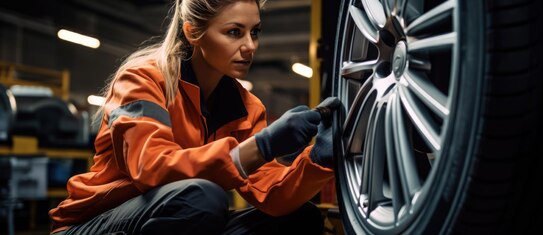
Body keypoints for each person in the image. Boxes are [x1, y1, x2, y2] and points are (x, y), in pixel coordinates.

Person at [48, 0, 340, 234]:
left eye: (255, 32)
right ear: (192, 32)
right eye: (234, 32)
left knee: (300, 218)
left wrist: (318, 159)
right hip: (94, 224)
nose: (250, 46)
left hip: (176, 215)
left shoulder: (247, 107)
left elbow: (272, 196)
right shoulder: (143, 79)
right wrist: (260, 147)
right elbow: (151, 167)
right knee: (201, 198)